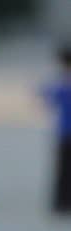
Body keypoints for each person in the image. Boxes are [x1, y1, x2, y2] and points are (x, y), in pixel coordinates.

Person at [41, 44, 71, 213]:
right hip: (65, 132)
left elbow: (47, 97)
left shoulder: (62, 83)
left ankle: (61, 203)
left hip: (64, 132)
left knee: (62, 170)